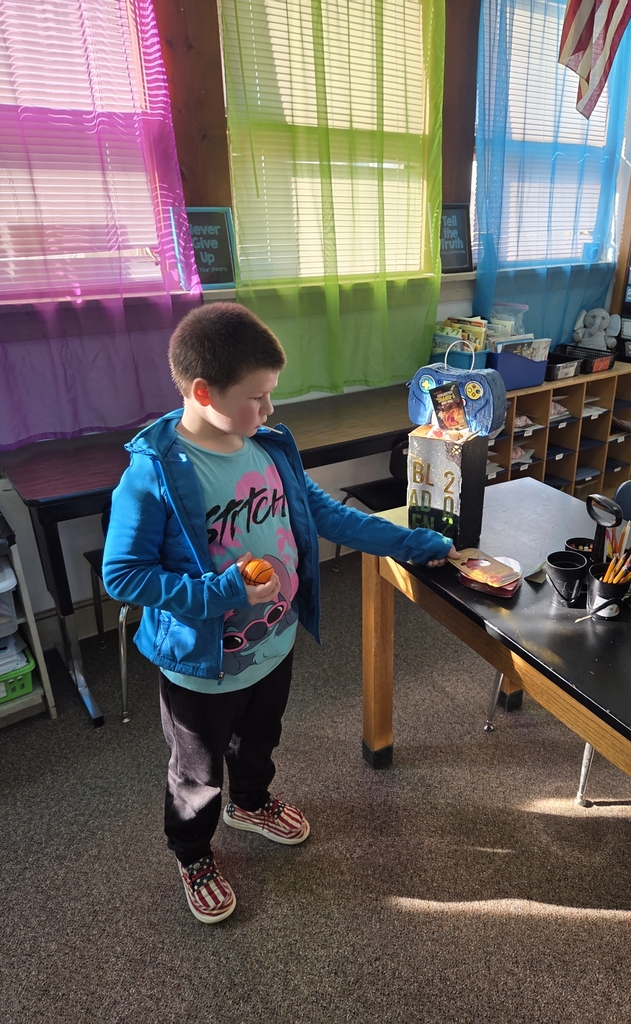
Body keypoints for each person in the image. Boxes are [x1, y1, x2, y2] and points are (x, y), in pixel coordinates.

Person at [102, 302, 457, 924]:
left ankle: (252, 802)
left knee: (261, 736)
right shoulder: (153, 473)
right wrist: (223, 593)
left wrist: (409, 540)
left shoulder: (267, 445)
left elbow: (323, 513)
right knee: (196, 771)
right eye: (258, 397)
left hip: (272, 643)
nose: (269, 411)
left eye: (272, 396)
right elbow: (123, 576)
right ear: (204, 392)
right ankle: (193, 851)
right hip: (203, 665)